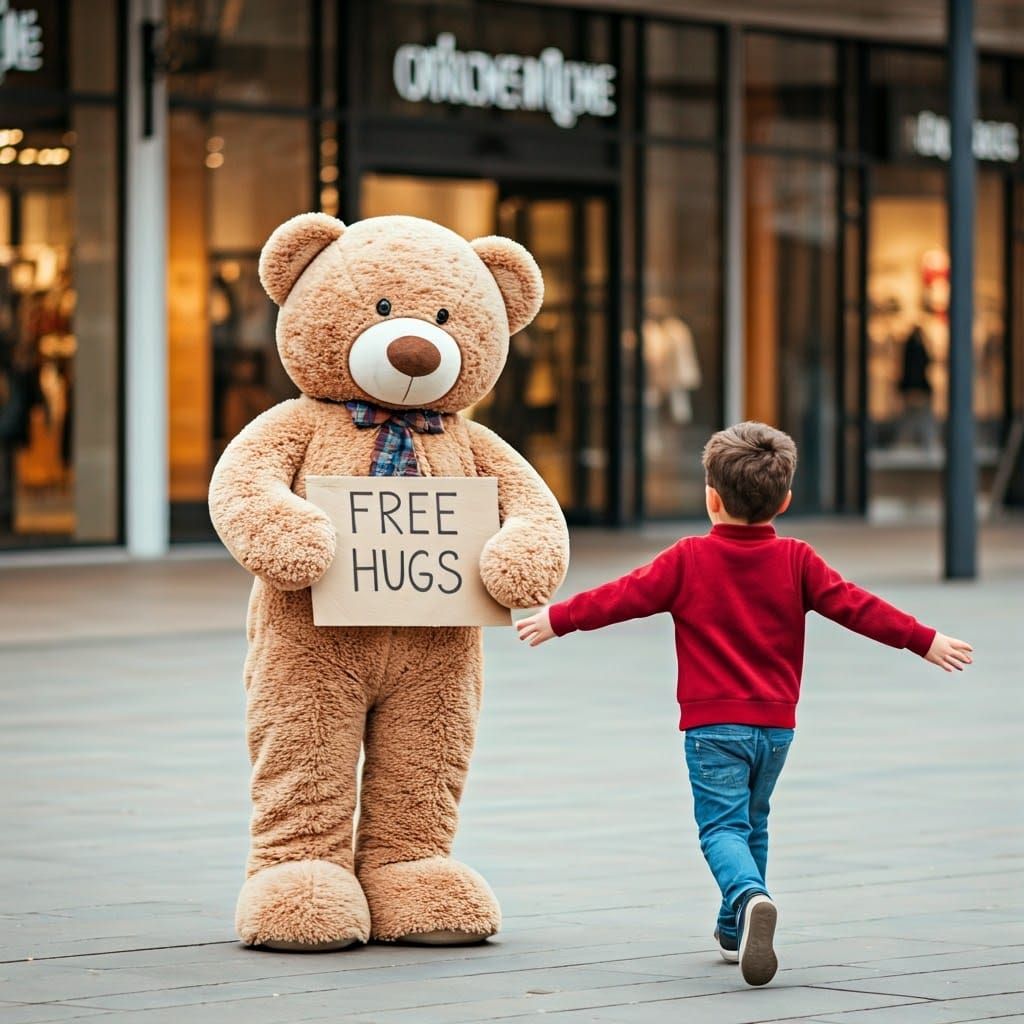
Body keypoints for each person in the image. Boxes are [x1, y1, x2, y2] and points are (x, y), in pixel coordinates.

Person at [515, 421, 973, 987]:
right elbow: (858, 606)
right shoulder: (799, 560)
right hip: (776, 728)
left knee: (720, 830)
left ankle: (749, 895)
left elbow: (622, 596)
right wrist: (923, 639)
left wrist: (558, 618)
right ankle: (734, 929)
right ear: (785, 500)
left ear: (711, 496)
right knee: (752, 821)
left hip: (712, 727)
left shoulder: (687, 558)